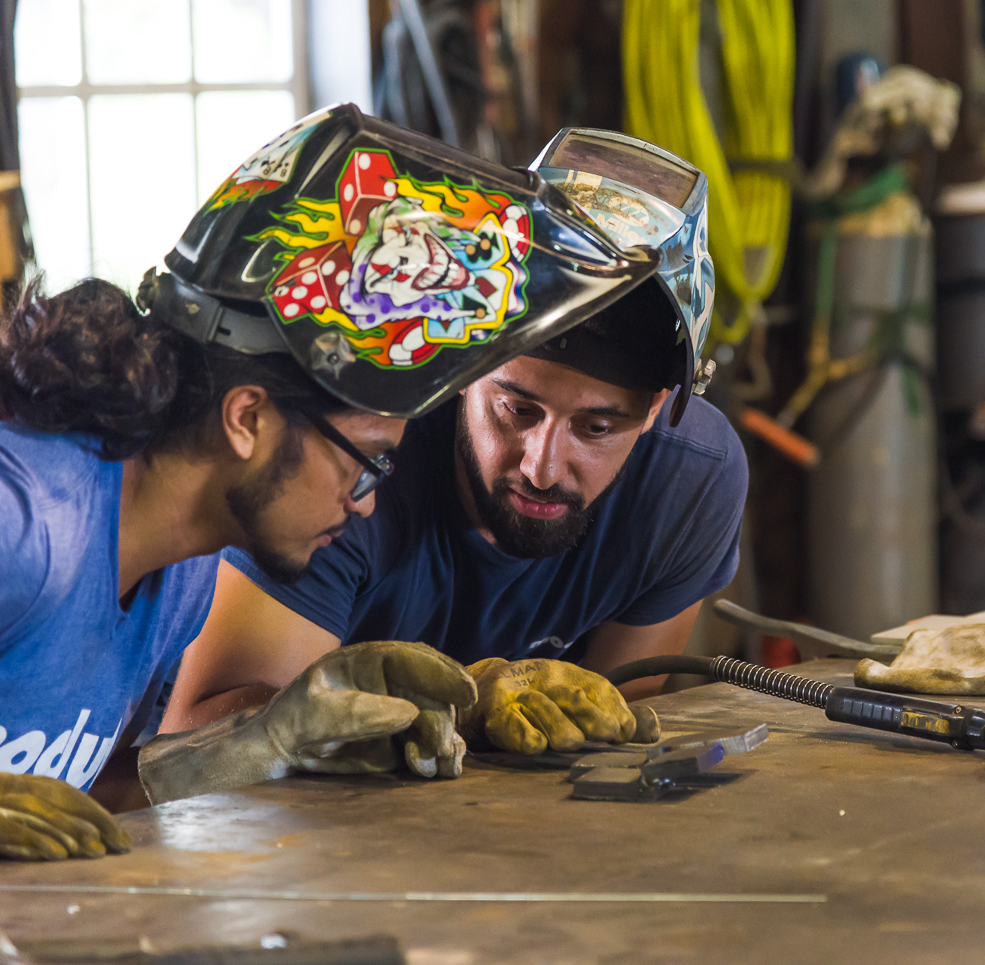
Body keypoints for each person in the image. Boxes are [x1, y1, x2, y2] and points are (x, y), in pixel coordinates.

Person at [0, 105, 659, 860]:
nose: (367, 498)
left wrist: (277, 733)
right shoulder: (7, 515)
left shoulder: (176, 575)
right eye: (364, 458)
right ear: (247, 416)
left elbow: (91, 798)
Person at [158, 130, 749, 761]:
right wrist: (447, 713)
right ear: (466, 361)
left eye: (596, 429)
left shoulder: (691, 482)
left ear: (658, 408)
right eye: (516, 409)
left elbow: (606, 736)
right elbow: (193, 746)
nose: (542, 468)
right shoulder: (351, 465)